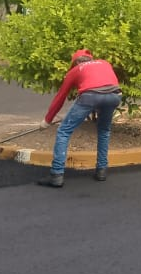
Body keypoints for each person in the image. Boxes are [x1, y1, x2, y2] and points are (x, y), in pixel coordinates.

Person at [38, 49, 122, 188]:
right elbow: (104, 83)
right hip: (115, 95)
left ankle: (56, 175)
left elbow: (60, 97)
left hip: (89, 97)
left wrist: (47, 120)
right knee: (104, 130)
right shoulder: (104, 63)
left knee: (64, 131)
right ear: (90, 59)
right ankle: (102, 170)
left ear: (76, 62)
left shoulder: (75, 70)